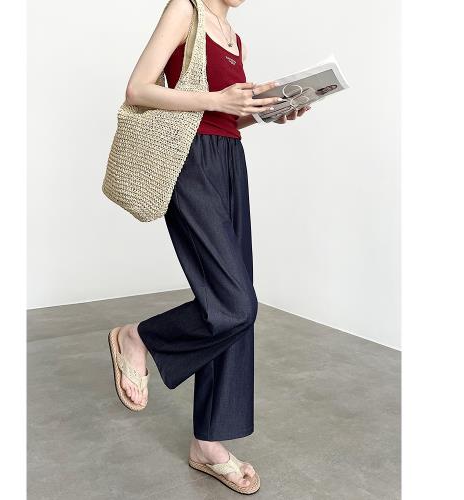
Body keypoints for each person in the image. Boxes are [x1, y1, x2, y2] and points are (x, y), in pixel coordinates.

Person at [108, 0, 311, 494]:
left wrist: (268, 112)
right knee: (237, 303)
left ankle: (209, 443)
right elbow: (138, 88)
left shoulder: (234, 38)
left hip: (228, 159)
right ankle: (139, 337)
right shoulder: (186, 9)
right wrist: (219, 98)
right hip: (188, 160)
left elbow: (225, 117)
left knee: (233, 303)